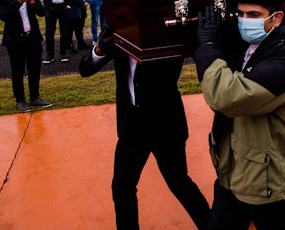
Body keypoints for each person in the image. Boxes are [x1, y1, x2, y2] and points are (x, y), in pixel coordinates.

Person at [194, 0, 285, 230]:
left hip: (269, 180)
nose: (244, 20)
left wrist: (207, 47)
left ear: (276, 18)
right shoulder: (254, 47)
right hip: (236, 171)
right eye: (240, 14)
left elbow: (226, 97)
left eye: (254, 14)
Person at [79, 26, 210, 230]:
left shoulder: (168, 35)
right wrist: (100, 49)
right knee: (122, 187)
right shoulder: (122, 33)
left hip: (165, 124)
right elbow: (85, 70)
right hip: (132, 125)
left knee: (179, 183)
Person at [0, 0, 52, 112]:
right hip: (14, 40)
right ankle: (20, 100)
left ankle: (35, 97)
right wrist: (17, 3)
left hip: (32, 37)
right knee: (18, 70)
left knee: (35, 69)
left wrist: (33, 3)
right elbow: (4, 15)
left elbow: (41, 12)